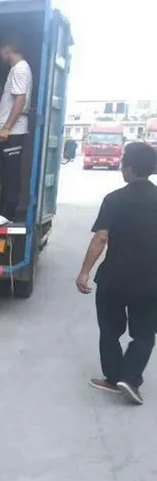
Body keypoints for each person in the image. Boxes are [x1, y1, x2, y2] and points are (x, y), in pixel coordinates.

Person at [77, 141, 157, 405]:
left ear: (130, 168)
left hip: (114, 278)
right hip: (150, 281)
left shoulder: (114, 199)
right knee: (144, 333)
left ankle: (114, 378)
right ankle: (130, 378)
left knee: (110, 329)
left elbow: (100, 238)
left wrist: (84, 273)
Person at [0, 37, 33, 226]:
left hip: (14, 132)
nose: (0, 53)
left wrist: (6, 128)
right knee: (5, 173)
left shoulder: (21, 69)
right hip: (8, 132)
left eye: (1, 49)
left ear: (8, 48)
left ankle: (8, 214)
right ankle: (2, 211)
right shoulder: (16, 69)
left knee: (11, 173)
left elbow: (20, 100)